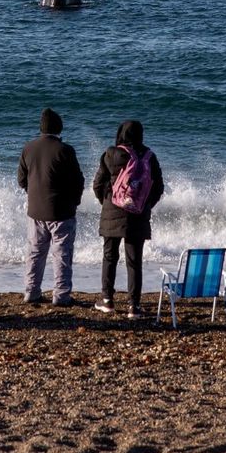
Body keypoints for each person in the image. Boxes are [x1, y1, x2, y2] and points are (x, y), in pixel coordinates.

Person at [92, 120, 165, 319]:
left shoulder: (110, 154)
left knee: (109, 256)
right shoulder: (149, 157)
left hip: (112, 213)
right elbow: (158, 188)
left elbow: (98, 184)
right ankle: (134, 306)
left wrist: (106, 203)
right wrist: (144, 205)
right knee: (134, 261)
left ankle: (107, 300)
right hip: (137, 215)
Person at [17, 108, 85, 306]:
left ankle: (31, 291)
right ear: (59, 127)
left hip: (36, 210)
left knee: (35, 253)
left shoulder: (28, 148)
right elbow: (78, 181)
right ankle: (61, 295)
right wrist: (75, 201)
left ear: (41, 128)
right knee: (62, 254)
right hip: (61, 211)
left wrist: (34, 194)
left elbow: (21, 180)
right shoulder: (65, 150)